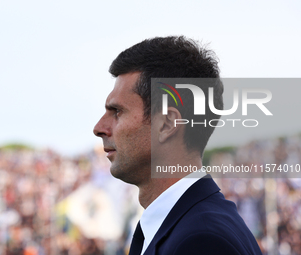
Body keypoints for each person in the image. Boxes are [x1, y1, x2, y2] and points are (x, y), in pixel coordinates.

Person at [93, 36, 262, 255]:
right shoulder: (183, 226)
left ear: (167, 124)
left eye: (117, 111)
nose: (99, 127)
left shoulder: (201, 241)